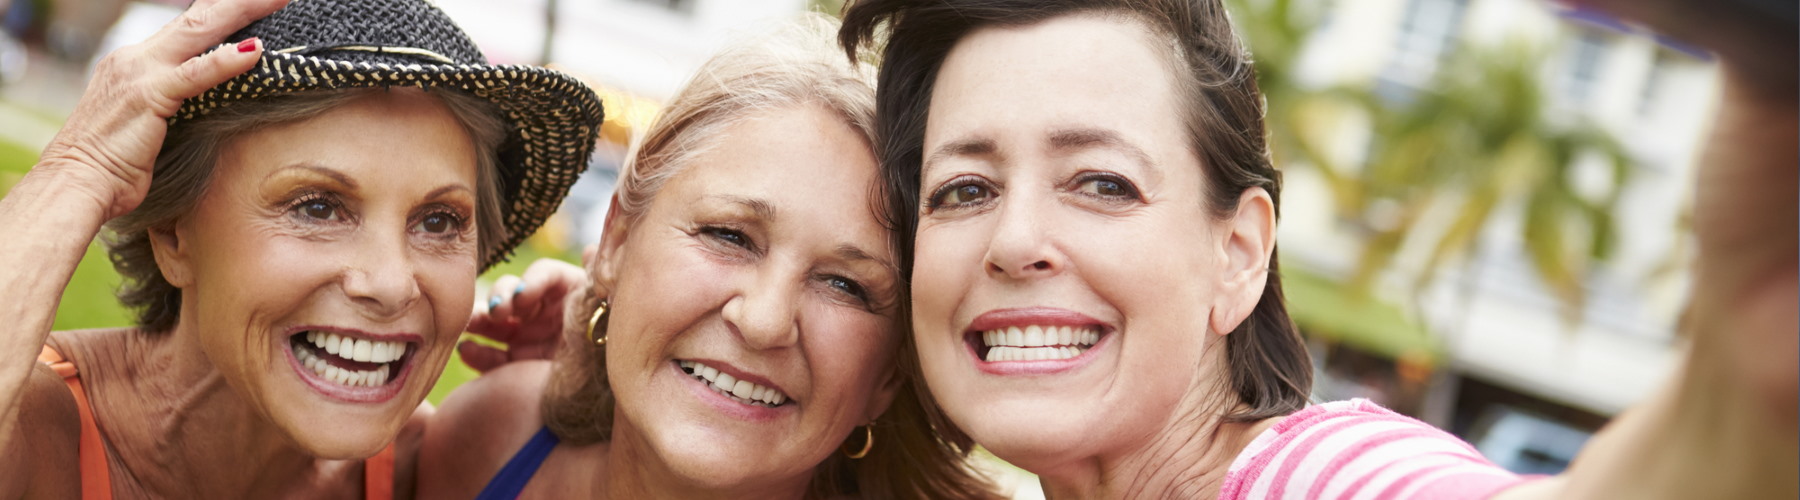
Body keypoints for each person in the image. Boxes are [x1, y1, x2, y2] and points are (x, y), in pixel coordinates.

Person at [837, 0, 1796, 498]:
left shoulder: (1314, 474)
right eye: (965, 190)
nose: (1015, 241)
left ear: (1239, 254)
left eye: (1102, 182)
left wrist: (1750, 367)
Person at [0, 0, 604, 496]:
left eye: (440, 221)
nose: (391, 282)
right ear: (172, 233)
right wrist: (78, 168)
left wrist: (601, 370)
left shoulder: (435, 468)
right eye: (317, 207)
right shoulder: (35, 436)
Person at [415, 15, 1003, 500]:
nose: (764, 320)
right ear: (617, 241)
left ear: (889, 375)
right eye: (730, 236)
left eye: (845, 285)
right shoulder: (489, 437)